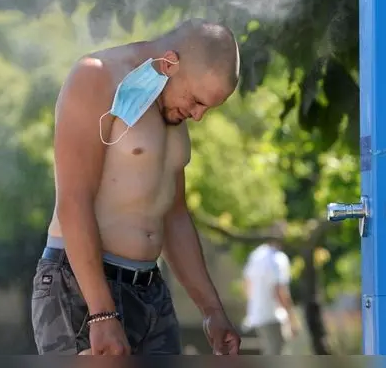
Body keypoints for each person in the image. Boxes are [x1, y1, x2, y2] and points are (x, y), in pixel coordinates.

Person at [31, 19, 243, 356]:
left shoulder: (173, 110)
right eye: (196, 100)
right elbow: (73, 200)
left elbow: (173, 215)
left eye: (207, 108)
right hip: (83, 287)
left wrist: (212, 310)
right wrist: (101, 313)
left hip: (150, 290)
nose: (198, 115)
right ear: (170, 63)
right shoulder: (96, 76)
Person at [241, 225, 299, 355]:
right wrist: (292, 319)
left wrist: (254, 304)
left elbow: (246, 284)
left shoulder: (256, 255)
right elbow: (280, 291)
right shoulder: (278, 259)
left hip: (256, 316)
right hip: (273, 316)